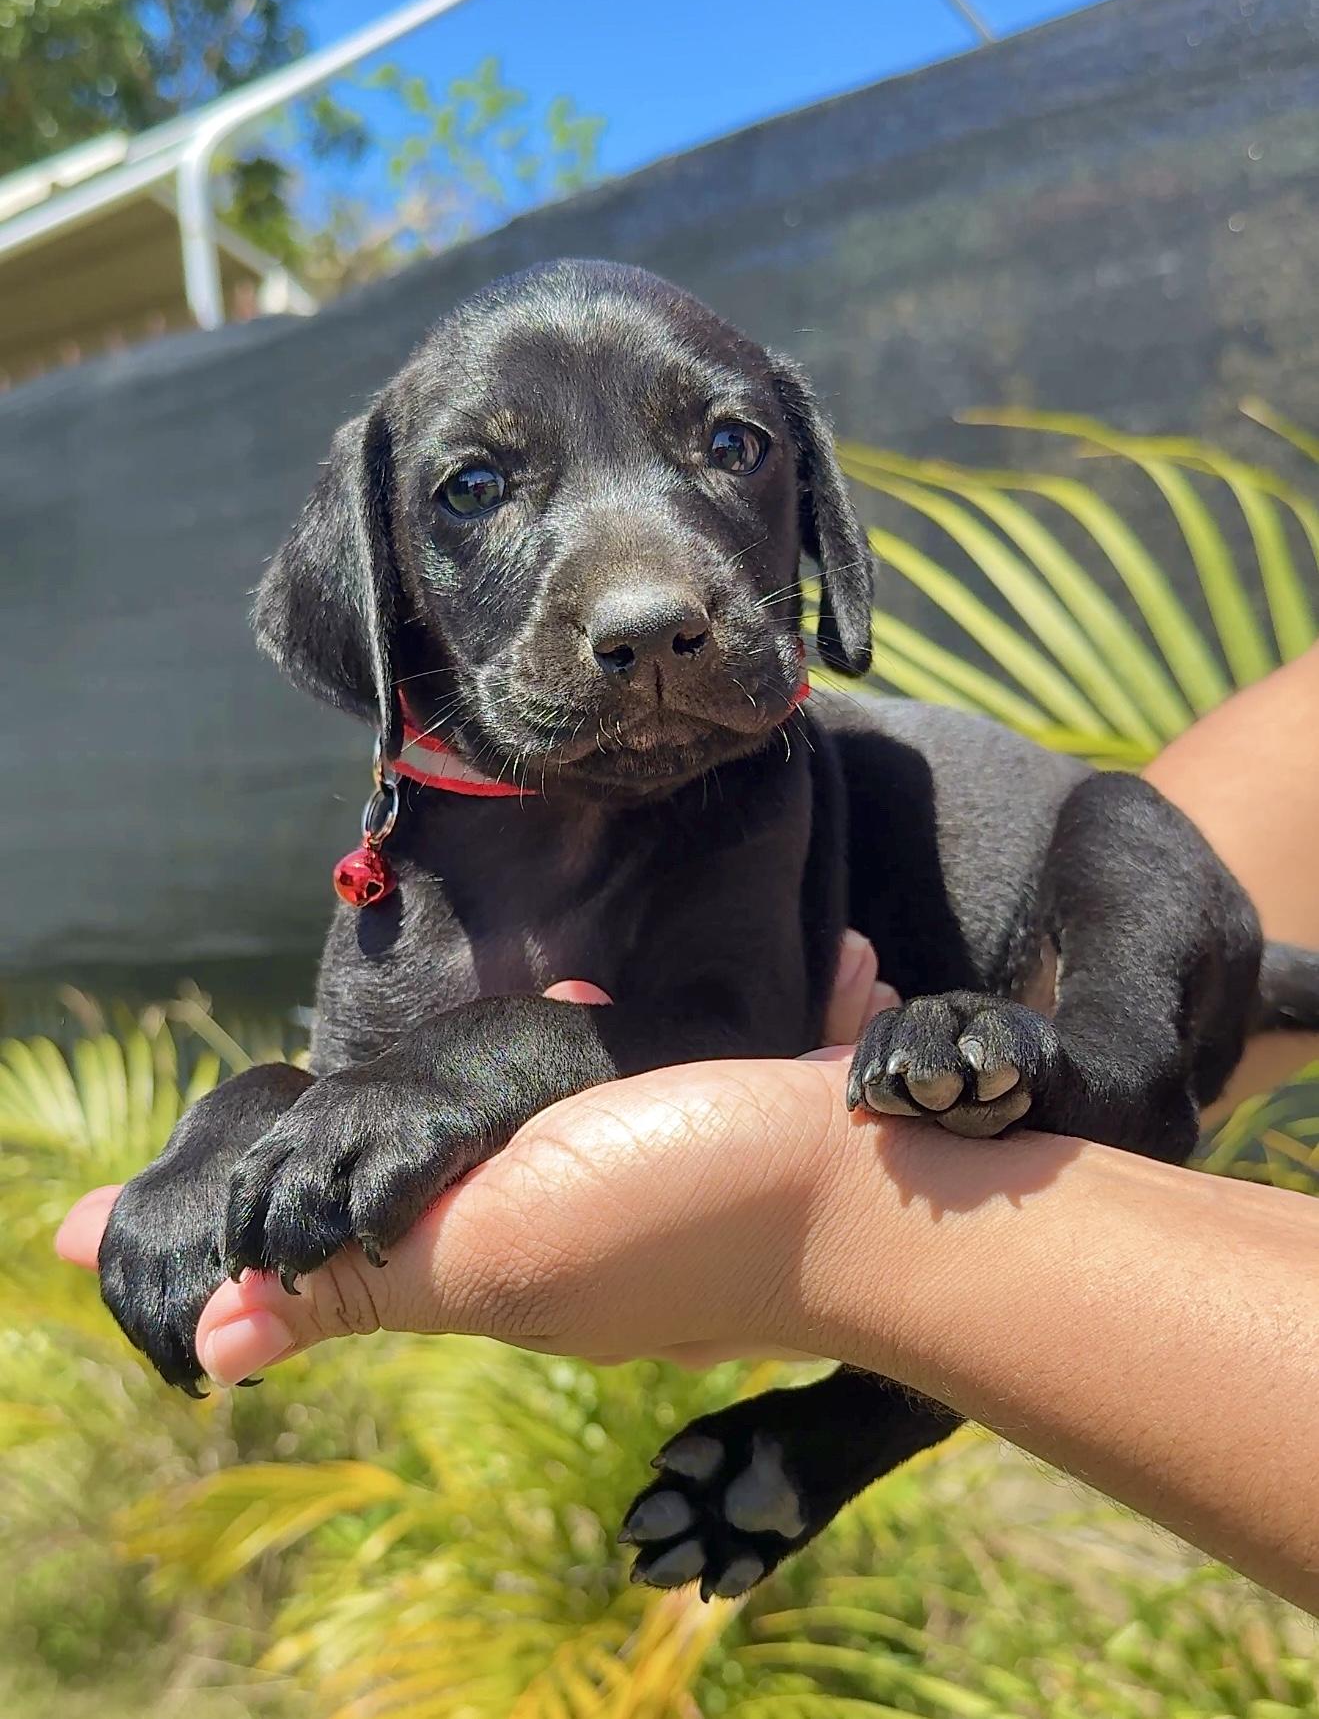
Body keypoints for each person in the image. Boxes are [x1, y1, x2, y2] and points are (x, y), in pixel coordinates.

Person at [58, 649, 1319, 1616]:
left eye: (727, 452)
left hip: (1082, 943)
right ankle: (877, 1392)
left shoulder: (743, 783)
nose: (643, 587)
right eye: (475, 492)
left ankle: (1086, 1115)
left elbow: (717, 1042)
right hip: (964, 1032)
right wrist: (234, 1134)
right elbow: (355, 1083)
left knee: (1117, 826)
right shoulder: (416, 853)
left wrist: (822, 1225)